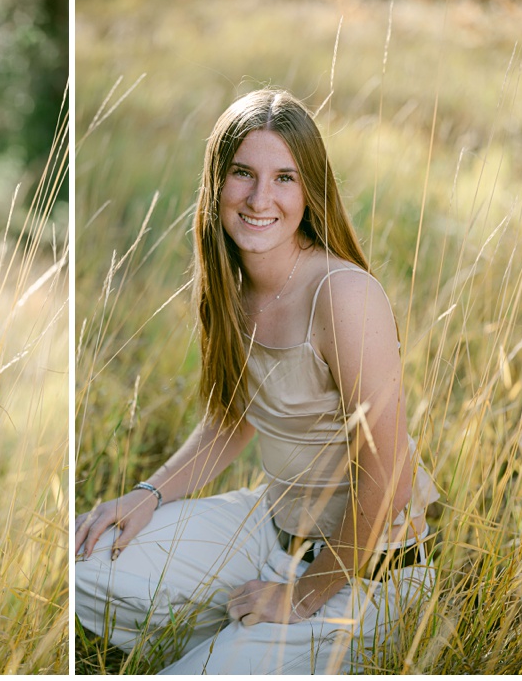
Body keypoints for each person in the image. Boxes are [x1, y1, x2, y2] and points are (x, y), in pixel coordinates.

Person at [74, 89, 439, 674]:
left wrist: (304, 596)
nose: (259, 198)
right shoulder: (232, 283)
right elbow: (233, 417)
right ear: (217, 182)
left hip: (368, 570)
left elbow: (390, 476)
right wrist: (149, 493)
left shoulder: (342, 295)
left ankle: (237, 645)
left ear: (309, 190)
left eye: (284, 178)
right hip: (270, 531)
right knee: (84, 559)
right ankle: (230, 635)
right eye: (242, 172)